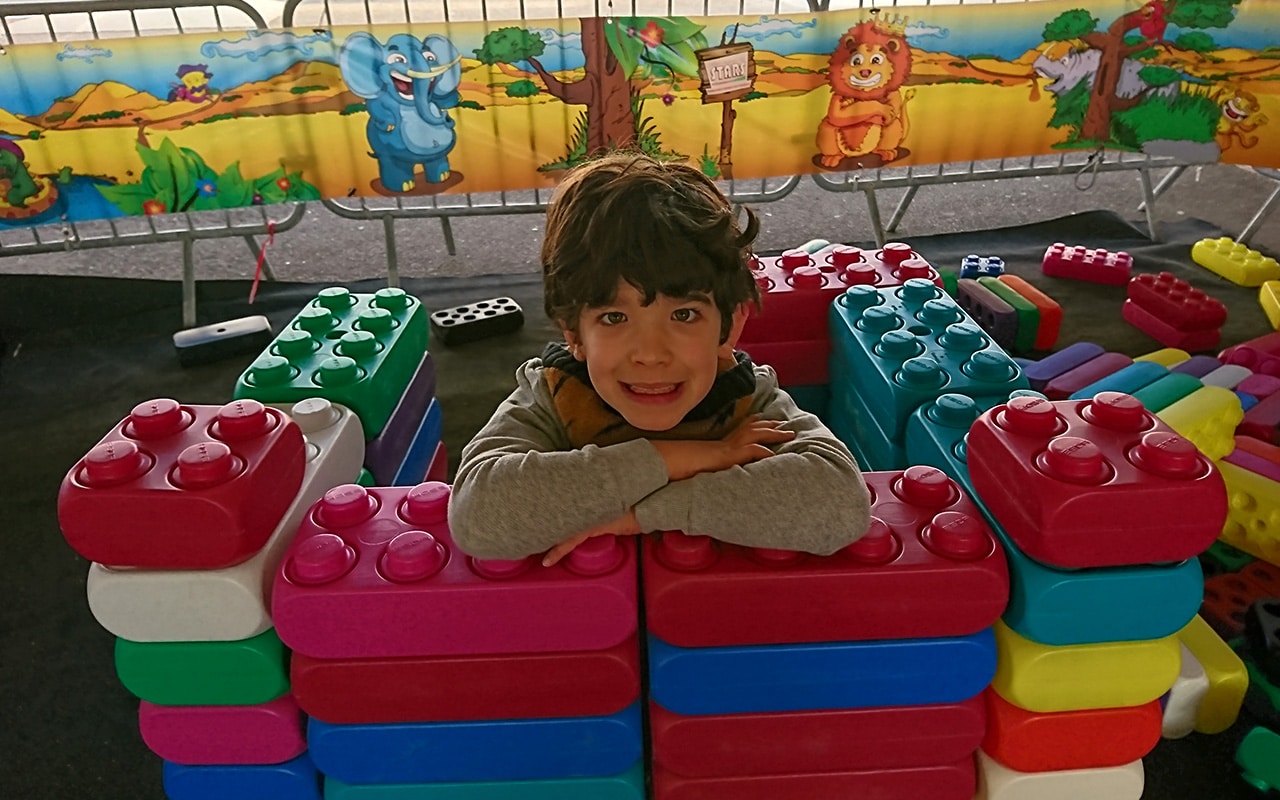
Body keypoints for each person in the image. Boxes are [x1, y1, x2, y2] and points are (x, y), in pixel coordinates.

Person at [448, 152, 871, 567]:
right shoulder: (554, 397)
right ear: (573, 333)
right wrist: (685, 457)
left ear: (729, 326)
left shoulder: (745, 398)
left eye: (683, 315)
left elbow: (839, 504)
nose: (650, 354)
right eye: (614, 318)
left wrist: (641, 515)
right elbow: (477, 516)